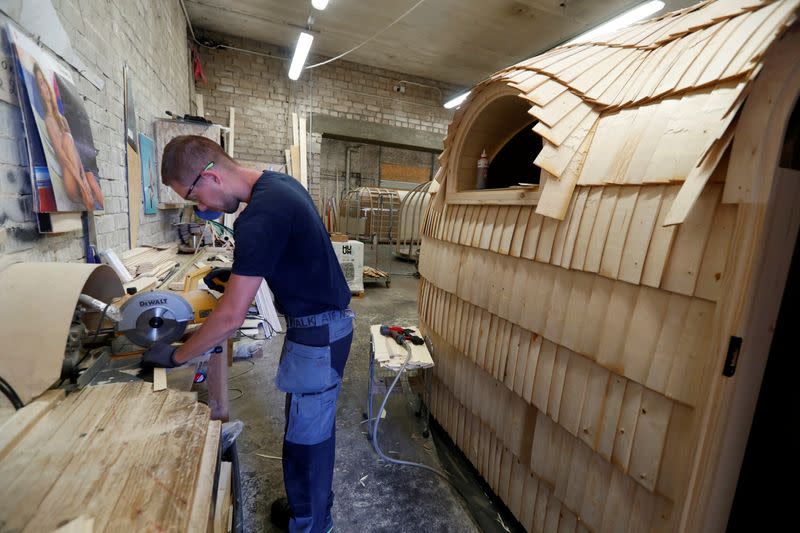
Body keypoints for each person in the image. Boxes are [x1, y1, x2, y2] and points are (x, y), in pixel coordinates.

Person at [143, 135, 352, 533]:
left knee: (307, 437)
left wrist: (176, 356)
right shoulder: (278, 184)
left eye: (195, 197)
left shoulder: (258, 218)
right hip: (324, 324)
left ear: (211, 176)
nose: (201, 208)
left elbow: (230, 318)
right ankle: (311, 508)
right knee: (310, 424)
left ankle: (311, 524)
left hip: (319, 332)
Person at [32, 62, 103, 211]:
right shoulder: (49, 121)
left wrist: (84, 178)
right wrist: (80, 182)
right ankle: (87, 196)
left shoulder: (62, 118)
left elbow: (76, 153)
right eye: (41, 84)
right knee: (67, 138)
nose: (45, 86)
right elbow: (63, 157)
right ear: (39, 90)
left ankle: (97, 204)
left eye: (45, 81)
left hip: (77, 172)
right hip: (70, 178)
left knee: (90, 177)